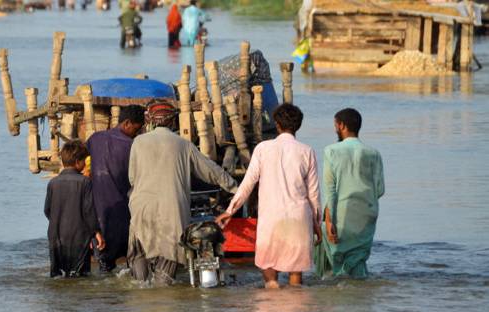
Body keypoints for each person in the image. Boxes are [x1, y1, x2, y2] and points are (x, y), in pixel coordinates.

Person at [127, 100, 238, 286]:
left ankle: (141, 289)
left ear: (151, 121)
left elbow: (132, 178)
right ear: (172, 122)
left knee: (140, 254)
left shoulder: (138, 142)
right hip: (172, 210)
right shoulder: (183, 144)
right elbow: (211, 171)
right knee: (168, 260)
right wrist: (236, 188)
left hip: (141, 208)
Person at [216, 103, 322, 289]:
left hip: (271, 218)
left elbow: (247, 183)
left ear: (277, 124)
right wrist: (316, 224)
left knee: (269, 272)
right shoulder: (307, 151)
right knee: (296, 277)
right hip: (298, 217)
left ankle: (271, 306)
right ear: (298, 126)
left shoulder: (263, 149)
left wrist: (230, 211)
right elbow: (313, 194)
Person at [315, 108, 385, 278]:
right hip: (367, 213)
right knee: (358, 259)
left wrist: (329, 220)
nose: (335, 129)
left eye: (335, 125)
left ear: (342, 126)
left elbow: (330, 190)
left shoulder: (331, 151)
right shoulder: (374, 154)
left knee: (336, 260)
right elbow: (380, 190)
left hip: (342, 213)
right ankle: (361, 299)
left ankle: (341, 297)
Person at [86, 105, 145, 272]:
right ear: (126, 123)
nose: (138, 132)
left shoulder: (95, 138)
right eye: (137, 128)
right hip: (122, 210)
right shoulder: (132, 146)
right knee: (130, 259)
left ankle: (106, 294)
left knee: (104, 262)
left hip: (98, 212)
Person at [44, 140, 105, 277]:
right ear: (78, 161)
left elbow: (47, 210)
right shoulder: (85, 182)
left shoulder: (52, 183)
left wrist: (59, 222)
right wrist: (96, 232)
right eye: (84, 160)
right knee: (80, 276)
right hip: (79, 237)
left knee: (58, 276)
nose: (84, 164)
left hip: (56, 237)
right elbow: (88, 211)